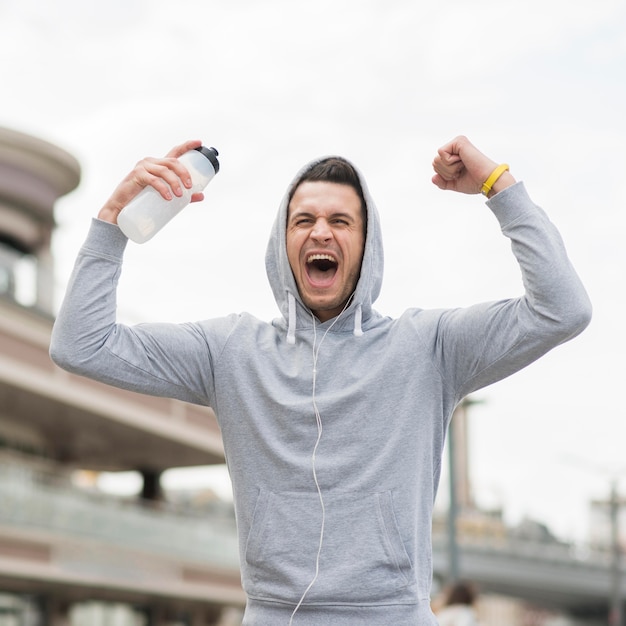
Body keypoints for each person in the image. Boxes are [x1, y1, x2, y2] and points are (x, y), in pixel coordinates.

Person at [49, 135, 592, 625]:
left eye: (340, 220)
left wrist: (501, 187)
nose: (321, 232)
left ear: (366, 243)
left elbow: (562, 309)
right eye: (303, 220)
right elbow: (81, 345)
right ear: (283, 242)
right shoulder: (230, 351)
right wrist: (113, 220)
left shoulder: (430, 347)